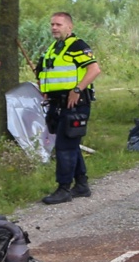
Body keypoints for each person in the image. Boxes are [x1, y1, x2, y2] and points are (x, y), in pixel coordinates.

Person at [35, 11, 101, 205]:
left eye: (58, 24)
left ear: (69, 27)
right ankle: (81, 185)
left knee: (65, 146)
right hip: (57, 104)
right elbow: (45, 71)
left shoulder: (77, 46)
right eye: (52, 24)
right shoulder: (54, 48)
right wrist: (44, 88)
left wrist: (77, 89)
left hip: (75, 103)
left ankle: (63, 189)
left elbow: (94, 69)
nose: (54, 28)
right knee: (70, 144)